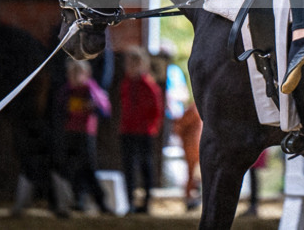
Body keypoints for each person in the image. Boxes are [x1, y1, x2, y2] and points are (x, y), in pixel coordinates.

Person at [59, 59, 112, 214]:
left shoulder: (91, 90)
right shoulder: (66, 91)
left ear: (86, 74)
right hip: (70, 132)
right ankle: (79, 200)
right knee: (73, 168)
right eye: (72, 73)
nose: (75, 77)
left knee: (88, 168)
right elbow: (60, 109)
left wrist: (93, 106)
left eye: (78, 73)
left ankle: (101, 202)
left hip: (86, 133)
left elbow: (105, 111)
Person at [119, 46, 163, 215]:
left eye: (133, 63)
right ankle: (129, 202)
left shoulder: (149, 86)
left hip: (144, 132)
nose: (129, 67)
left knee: (146, 166)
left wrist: (151, 128)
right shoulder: (126, 84)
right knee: (128, 167)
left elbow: (156, 111)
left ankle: (146, 202)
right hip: (128, 131)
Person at [172, 100, 203, 211]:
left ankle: (193, 198)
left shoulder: (197, 108)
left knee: (196, 174)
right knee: (192, 173)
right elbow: (180, 126)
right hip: (192, 146)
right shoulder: (194, 109)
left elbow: (179, 126)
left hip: (196, 147)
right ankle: (190, 199)